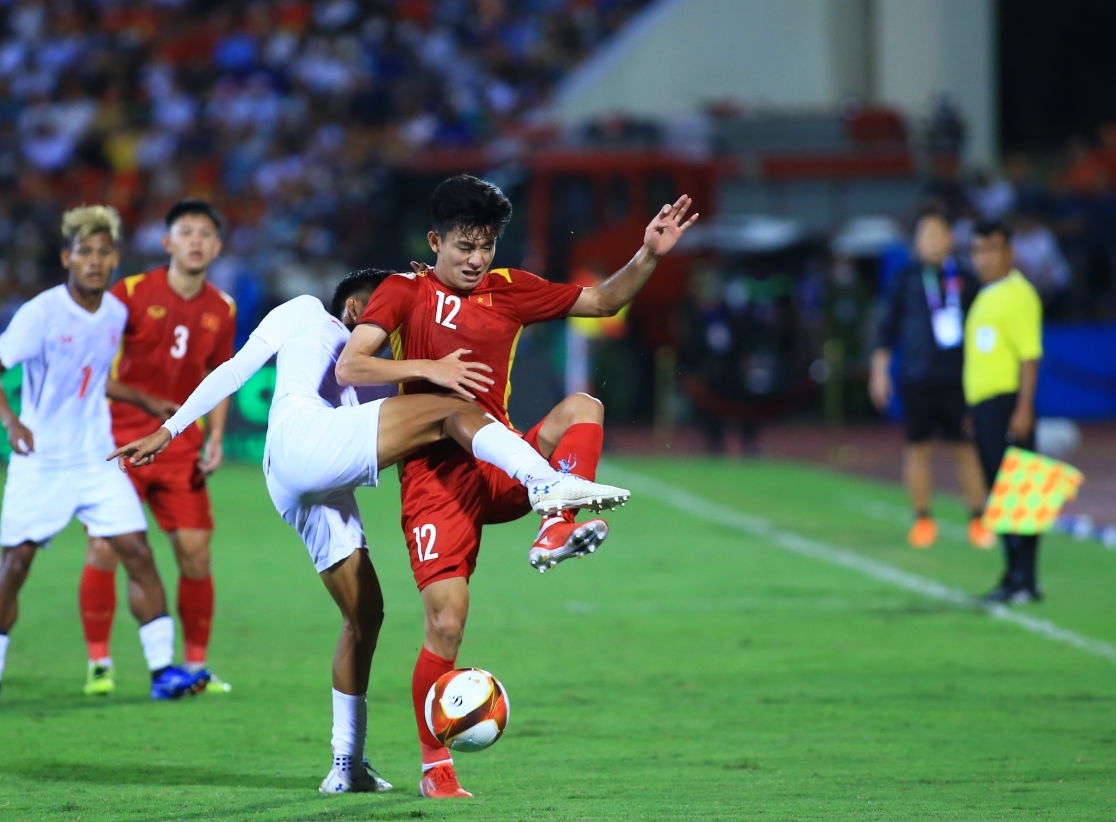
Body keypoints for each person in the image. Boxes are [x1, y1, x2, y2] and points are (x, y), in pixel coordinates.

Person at [111, 269, 628, 795]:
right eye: (382, 308)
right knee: (453, 409)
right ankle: (547, 486)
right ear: (358, 308)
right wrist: (169, 430)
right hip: (302, 437)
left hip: (302, 485)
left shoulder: (388, 365)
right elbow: (236, 369)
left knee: (365, 617)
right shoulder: (307, 312)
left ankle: (346, 765)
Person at [336, 174, 696, 798]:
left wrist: (648, 254)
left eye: (486, 246)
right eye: (464, 247)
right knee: (446, 626)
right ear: (435, 240)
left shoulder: (509, 290)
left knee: (583, 405)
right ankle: (434, 767)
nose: (477, 260)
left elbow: (604, 301)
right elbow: (352, 363)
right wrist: (429, 368)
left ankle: (555, 522)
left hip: (503, 467)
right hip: (434, 481)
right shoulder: (403, 291)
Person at [0, 206, 199, 703]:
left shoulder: (115, 313)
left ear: (114, 258)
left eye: (104, 252)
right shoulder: (41, 312)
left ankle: (163, 671)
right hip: (41, 462)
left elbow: (92, 373)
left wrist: (142, 400)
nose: (95, 261)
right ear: (67, 258)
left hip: (95, 460)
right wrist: (10, 421)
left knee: (138, 553)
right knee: (14, 565)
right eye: (85, 252)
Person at [77, 198, 234, 698]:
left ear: (217, 246)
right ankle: (99, 663)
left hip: (180, 445)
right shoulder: (127, 294)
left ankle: (194, 667)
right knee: (104, 546)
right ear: (166, 243)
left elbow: (220, 378)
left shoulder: (221, 308)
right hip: (118, 440)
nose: (195, 241)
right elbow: (94, 367)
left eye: (205, 233)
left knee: (195, 553)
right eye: (185, 232)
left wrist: (213, 435)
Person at [869, 208, 990, 549]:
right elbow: (886, 331)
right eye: (923, 236)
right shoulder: (906, 279)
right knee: (917, 449)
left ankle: (979, 518)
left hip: (959, 379)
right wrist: (880, 373)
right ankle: (922, 518)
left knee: (965, 448)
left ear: (949, 238)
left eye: (935, 234)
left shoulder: (967, 279)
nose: (928, 242)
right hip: (916, 378)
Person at [966, 220, 1045, 603]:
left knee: (1020, 493)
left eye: (991, 249)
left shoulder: (1018, 293)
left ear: (1009, 253)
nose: (983, 258)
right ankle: (1012, 575)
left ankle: (1025, 579)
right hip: (984, 405)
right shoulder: (986, 294)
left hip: (1007, 403)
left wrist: (1023, 408)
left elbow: (1029, 356)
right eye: (977, 250)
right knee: (999, 495)